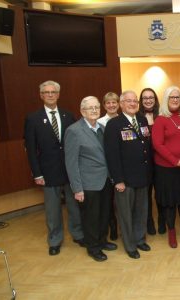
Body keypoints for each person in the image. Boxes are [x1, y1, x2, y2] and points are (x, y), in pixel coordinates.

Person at [24, 80, 83, 256]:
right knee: (53, 209)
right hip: (48, 172)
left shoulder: (68, 115)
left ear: (58, 94)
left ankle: (78, 234)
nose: (50, 95)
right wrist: (37, 173)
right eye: (46, 92)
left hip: (69, 170)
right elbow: (30, 149)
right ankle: (55, 240)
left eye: (53, 92)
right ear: (41, 95)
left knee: (74, 206)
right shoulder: (32, 118)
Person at [64, 96, 117, 262]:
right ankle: (93, 248)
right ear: (82, 111)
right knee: (91, 217)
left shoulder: (102, 127)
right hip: (88, 184)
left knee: (104, 214)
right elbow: (71, 163)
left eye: (96, 107)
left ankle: (102, 241)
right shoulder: (74, 131)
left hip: (105, 181)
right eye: (90, 108)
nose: (94, 110)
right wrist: (77, 188)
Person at [104, 90, 152, 259]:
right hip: (125, 179)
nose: (133, 104)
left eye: (135, 101)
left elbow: (146, 145)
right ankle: (130, 245)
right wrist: (118, 180)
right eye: (128, 101)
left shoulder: (142, 120)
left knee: (141, 211)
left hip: (142, 176)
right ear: (121, 104)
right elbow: (112, 155)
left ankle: (139, 239)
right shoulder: (114, 124)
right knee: (125, 214)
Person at [152, 86, 180, 248]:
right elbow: (158, 144)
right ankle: (171, 232)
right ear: (166, 100)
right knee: (170, 203)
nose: (175, 100)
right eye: (172, 97)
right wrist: (175, 161)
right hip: (167, 169)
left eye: (178, 97)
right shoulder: (160, 119)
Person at [139, 87, 165, 235]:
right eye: (145, 98)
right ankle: (149, 222)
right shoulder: (137, 117)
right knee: (146, 195)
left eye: (151, 97)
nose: (148, 100)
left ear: (155, 100)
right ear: (141, 101)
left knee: (160, 193)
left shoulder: (161, 116)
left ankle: (162, 221)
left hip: (160, 161)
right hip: (144, 163)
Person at [97, 92, 120, 241]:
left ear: (119, 104)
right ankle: (112, 226)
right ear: (104, 105)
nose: (111, 105)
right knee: (108, 201)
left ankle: (122, 226)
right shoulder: (99, 122)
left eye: (114, 102)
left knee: (120, 200)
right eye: (108, 103)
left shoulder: (124, 119)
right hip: (105, 167)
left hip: (120, 166)